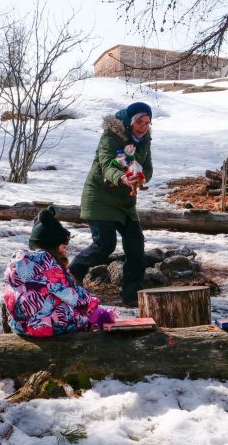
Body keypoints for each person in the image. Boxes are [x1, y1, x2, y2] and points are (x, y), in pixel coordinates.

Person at [69, 101, 153, 308]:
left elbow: (148, 167)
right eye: (139, 122)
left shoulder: (144, 141)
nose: (143, 127)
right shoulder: (110, 137)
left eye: (147, 122)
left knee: (136, 246)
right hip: (100, 198)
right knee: (105, 244)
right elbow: (107, 165)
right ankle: (72, 273)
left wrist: (141, 176)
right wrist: (123, 178)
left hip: (125, 202)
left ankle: (131, 295)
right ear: (129, 121)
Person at [5, 206, 113, 337]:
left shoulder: (21, 263)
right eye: (63, 246)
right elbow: (71, 295)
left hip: (20, 325)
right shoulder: (49, 265)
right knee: (76, 312)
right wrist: (95, 309)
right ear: (54, 244)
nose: (65, 250)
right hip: (45, 326)